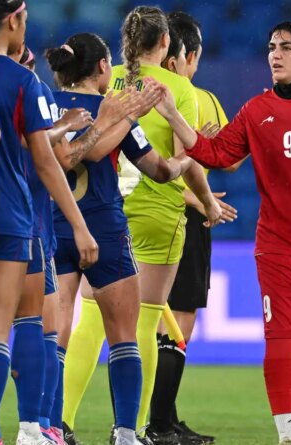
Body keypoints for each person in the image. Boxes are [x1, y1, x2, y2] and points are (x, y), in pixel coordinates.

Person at [155, 21, 291, 445]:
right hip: (277, 249)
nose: (275, 54)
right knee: (278, 344)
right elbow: (216, 153)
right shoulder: (257, 110)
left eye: (286, 47)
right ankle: (287, 437)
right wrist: (171, 113)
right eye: (271, 47)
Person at [61, 9, 222, 444]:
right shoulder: (179, 88)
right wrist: (206, 199)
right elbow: (178, 160)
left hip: (106, 209)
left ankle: (61, 423)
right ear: (167, 44)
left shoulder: (106, 77)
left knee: (90, 320)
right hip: (157, 211)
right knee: (145, 322)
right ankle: (134, 430)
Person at [0, 2, 99, 444]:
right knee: (15, 324)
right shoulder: (23, 81)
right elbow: (45, 161)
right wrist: (79, 225)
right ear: (13, 21)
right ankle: (23, 428)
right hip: (9, 217)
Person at [149, 11, 234, 445]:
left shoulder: (131, 88)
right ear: (190, 54)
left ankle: (162, 418)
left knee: (152, 324)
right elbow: (227, 157)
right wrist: (204, 200)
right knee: (177, 325)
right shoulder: (197, 97)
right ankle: (158, 424)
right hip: (183, 217)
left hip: (135, 215)